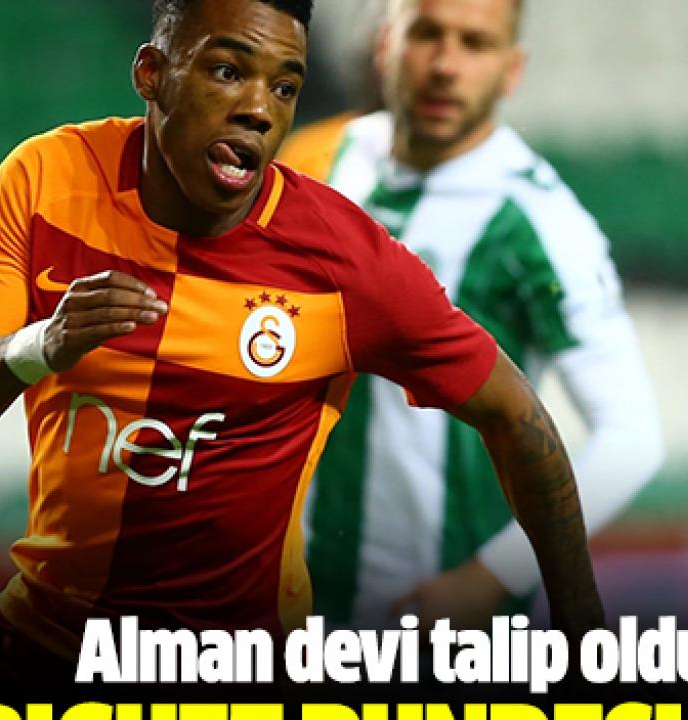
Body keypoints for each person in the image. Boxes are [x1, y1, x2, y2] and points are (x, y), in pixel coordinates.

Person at [0, 0, 602, 697]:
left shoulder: (345, 261)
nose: (259, 109)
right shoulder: (45, 181)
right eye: (229, 71)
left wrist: (583, 636)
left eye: (285, 87)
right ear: (151, 73)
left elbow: (517, 415)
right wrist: (38, 346)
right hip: (41, 652)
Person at [280, 0, 664, 630]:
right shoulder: (321, 160)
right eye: (427, 35)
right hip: (293, 591)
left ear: (512, 70)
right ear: (386, 46)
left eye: (475, 44)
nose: (446, 65)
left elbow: (632, 439)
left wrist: (490, 578)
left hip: (436, 611)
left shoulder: (539, 223)